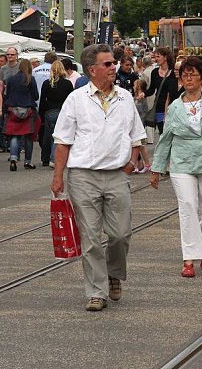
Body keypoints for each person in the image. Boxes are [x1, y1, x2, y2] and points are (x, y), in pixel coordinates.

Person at [50, 44, 146, 312]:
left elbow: (136, 135)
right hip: (83, 176)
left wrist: (132, 162)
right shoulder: (76, 99)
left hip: (117, 175)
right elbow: (63, 141)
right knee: (91, 237)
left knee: (120, 234)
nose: (113, 67)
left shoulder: (125, 97)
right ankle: (96, 292)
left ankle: (114, 273)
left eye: (114, 62)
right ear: (92, 70)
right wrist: (58, 177)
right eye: (108, 64)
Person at [151, 56, 202, 278]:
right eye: (184, 75)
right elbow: (166, 138)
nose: (188, 78)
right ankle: (189, 257)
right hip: (182, 163)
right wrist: (157, 168)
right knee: (187, 206)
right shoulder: (175, 107)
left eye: (192, 74)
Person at [4, 58, 40, 171]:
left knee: (15, 135)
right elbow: (36, 96)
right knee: (28, 137)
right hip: (28, 111)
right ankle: (27, 162)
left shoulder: (11, 79)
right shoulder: (30, 79)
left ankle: (13, 158)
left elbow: (7, 95)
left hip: (13, 111)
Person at [38, 60, 74, 169]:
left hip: (49, 111)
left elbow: (42, 100)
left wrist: (41, 115)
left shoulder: (47, 83)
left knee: (47, 136)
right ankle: (53, 159)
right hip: (62, 112)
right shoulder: (67, 83)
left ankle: (45, 158)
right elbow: (71, 100)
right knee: (59, 136)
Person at [145, 47, 180, 134]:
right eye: (155, 57)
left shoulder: (174, 72)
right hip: (159, 108)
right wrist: (143, 94)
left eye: (158, 56)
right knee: (162, 133)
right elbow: (151, 90)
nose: (156, 59)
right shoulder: (154, 72)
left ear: (165, 57)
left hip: (173, 107)